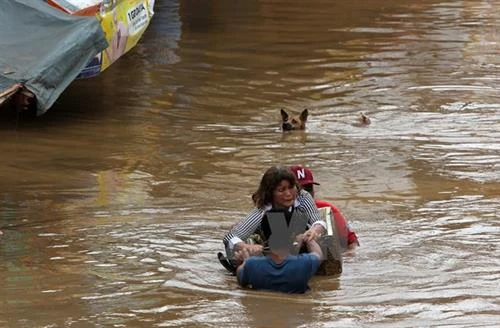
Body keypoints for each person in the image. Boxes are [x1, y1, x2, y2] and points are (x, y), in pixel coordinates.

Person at [222, 165, 327, 269]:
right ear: (270, 193)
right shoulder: (262, 209)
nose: (288, 194)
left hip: (297, 241)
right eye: (281, 190)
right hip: (270, 248)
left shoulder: (302, 196)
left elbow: (318, 221)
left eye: (291, 187)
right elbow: (230, 237)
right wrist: (248, 248)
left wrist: (313, 231)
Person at [236, 213, 323, 293]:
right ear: (292, 235)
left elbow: (241, 281)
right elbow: (318, 255)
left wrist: (243, 262)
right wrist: (308, 238)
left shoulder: (251, 265)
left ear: (264, 233)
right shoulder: (305, 262)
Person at [290, 165, 359, 249]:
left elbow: (352, 242)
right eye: (300, 189)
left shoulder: (328, 209)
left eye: (309, 189)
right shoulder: (275, 210)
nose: (305, 194)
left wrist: (348, 256)